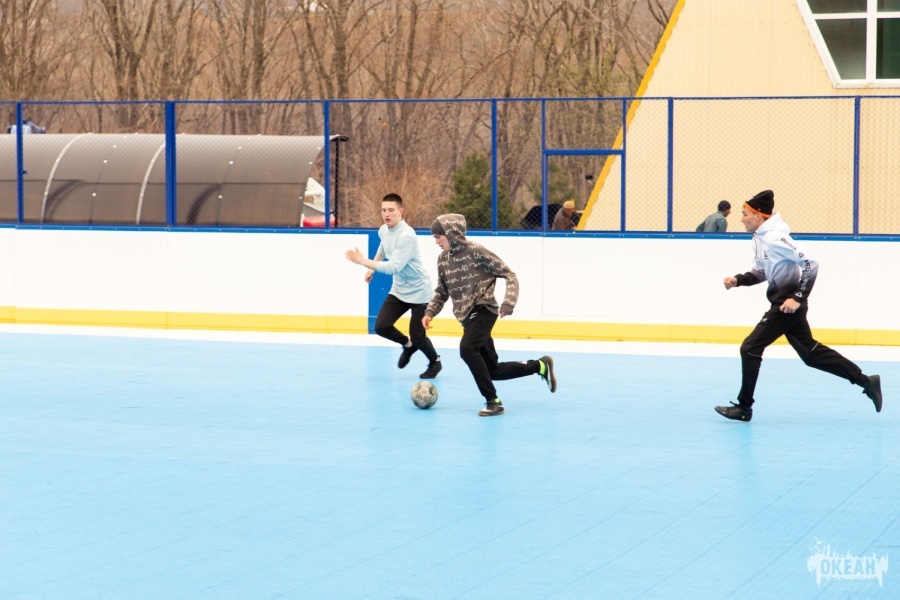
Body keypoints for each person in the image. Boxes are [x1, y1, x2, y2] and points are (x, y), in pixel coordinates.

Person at [714, 190, 882, 422]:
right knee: (810, 354)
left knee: (750, 348)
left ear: (759, 216)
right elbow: (762, 271)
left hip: (787, 306)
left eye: (744, 214)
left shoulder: (774, 238)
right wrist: (738, 280)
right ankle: (866, 381)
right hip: (786, 306)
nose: (741, 219)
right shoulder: (760, 238)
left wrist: (798, 298)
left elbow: (811, 264)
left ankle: (744, 407)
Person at [422, 213, 557, 416]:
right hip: (467, 317)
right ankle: (540, 366)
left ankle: (493, 401)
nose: (436, 242)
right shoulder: (442, 259)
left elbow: (509, 274)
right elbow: (442, 291)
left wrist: (509, 302)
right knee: (493, 370)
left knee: (467, 348)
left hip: (484, 309)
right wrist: (430, 312)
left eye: (438, 236)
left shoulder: (476, 251)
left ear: (451, 234)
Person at [345, 193, 442, 378]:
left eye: (391, 210)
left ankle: (435, 362)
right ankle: (408, 345)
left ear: (400, 212)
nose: (387, 214)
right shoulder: (384, 229)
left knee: (418, 336)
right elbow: (383, 247)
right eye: (383, 210)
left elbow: (393, 267)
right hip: (399, 290)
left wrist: (363, 261)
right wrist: (372, 268)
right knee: (381, 326)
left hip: (419, 291)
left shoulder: (406, 236)